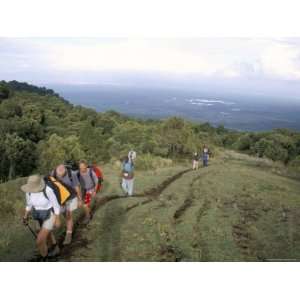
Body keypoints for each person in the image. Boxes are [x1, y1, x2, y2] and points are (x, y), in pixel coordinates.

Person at [21, 175, 61, 259]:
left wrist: (57, 219)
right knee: (48, 234)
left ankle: (45, 257)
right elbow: (29, 205)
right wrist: (25, 217)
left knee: (39, 240)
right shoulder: (28, 192)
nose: (33, 190)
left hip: (50, 214)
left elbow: (56, 205)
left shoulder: (47, 190)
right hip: (37, 214)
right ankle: (55, 249)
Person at [52, 164, 83, 245]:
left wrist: (80, 200)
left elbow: (77, 188)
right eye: (59, 176)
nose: (60, 177)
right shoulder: (53, 174)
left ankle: (68, 234)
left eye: (62, 176)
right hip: (61, 199)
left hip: (71, 197)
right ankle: (68, 226)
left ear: (65, 171)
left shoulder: (72, 174)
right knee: (64, 215)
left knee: (69, 214)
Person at [77, 160, 99, 224]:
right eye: (80, 168)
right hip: (84, 190)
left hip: (91, 189)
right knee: (85, 205)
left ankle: (88, 217)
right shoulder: (78, 173)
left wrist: (94, 191)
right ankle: (89, 213)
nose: (82, 169)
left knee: (85, 205)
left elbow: (96, 181)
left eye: (83, 167)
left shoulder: (91, 172)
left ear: (86, 166)